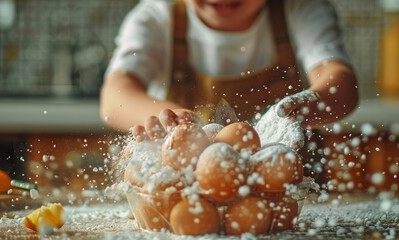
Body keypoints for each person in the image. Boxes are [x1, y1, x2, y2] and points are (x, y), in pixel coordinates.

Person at [100, 0, 359, 179]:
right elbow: (115, 97)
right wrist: (176, 119)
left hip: (293, 203)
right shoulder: (157, 16)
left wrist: (296, 111)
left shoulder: (301, 8)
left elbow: (341, 84)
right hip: (185, 198)